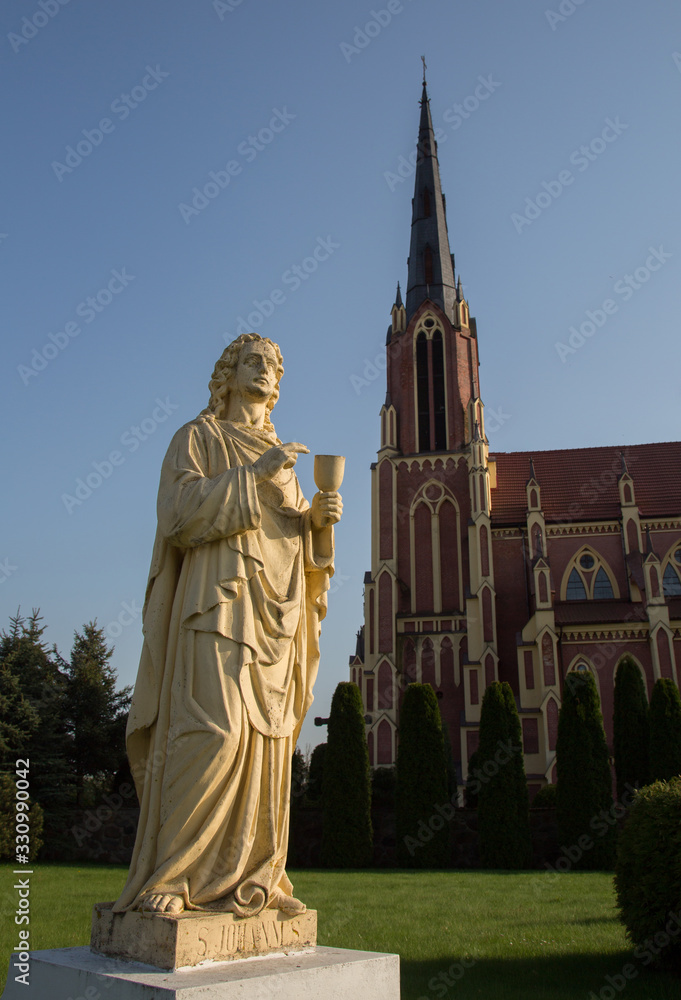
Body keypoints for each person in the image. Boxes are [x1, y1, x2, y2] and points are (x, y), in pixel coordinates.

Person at [113, 333, 342, 917]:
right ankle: (174, 874)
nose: (264, 370)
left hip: (275, 620)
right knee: (211, 732)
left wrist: (318, 524)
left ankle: (259, 878)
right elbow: (178, 516)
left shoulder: (285, 459)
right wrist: (255, 474)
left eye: (273, 365)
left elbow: (292, 545)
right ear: (228, 372)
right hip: (213, 605)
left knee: (268, 743)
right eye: (252, 360)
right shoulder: (199, 438)